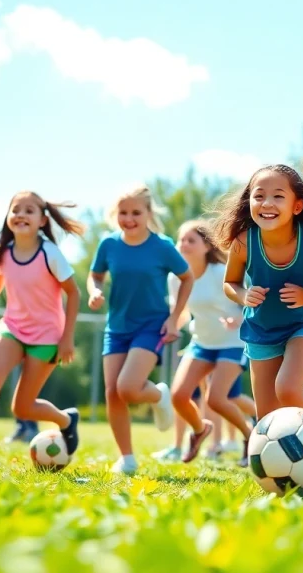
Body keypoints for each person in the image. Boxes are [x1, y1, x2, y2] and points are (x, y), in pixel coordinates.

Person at [0, 191, 83, 469]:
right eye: (15, 210)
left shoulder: (50, 253)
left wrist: (67, 338)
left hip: (47, 336)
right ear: (8, 216)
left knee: (22, 408)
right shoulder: (1, 252)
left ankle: (66, 420)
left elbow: (74, 293)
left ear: (42, 220)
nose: (21, 215)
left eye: (29, 210)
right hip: (11, 329)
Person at [88, 185, 193, 475]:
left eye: (136, 212)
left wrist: (174, 317)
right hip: (117, 327)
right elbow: (95, 275)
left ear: (148, 213)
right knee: (113, 392)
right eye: (123, 212)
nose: (129, 218)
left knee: (128, 387)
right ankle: (127, 458)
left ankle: (159, 396)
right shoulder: (108, 245)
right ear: (115, 214)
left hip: (151, 325)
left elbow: (187, 277)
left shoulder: (162, 246)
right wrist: (95, 290)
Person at [215, 165, 303, 422]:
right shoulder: (243, 242)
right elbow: (230, 283)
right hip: (262, 331)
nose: (267, 203)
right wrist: (243, 296)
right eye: (259, 196)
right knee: (266, 417)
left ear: (297, 206)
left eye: (278, 196)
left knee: (287, 388)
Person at [168, 219, 253, 465]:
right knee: (178, 396)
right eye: (181, 240)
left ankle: (250, 436)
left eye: (191, 240)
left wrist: (237, 317)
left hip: (232, 342)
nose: (184, 244)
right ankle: (199, 429)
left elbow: (248, 301)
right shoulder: (175, 278)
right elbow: (181, 312)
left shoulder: (220, 272)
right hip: (201, 343)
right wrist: (170, 325)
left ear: (206, 247)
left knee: (216, 399)